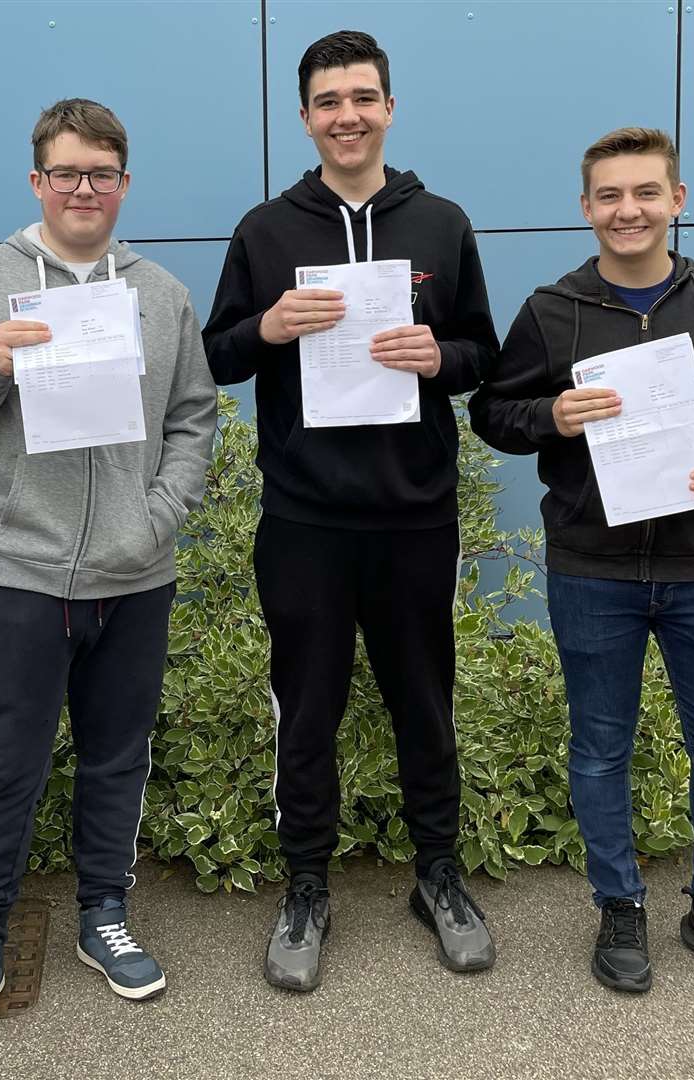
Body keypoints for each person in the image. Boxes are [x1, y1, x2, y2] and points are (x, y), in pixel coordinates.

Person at [468, 126, 694, 998]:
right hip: (591, 568)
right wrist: (553, 416)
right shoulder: (552, 309)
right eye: (610, 196)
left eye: (645, 193)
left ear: (676, 201)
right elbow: (491, 414)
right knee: (598, 750)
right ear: (585, 208)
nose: (629, 210)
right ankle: (618, 906)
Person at [0, 98, 217, 1045]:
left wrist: (154, 518)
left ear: (124, 184)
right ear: (37, 181)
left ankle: (101, 912)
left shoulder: (159, 293)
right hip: (18, 571)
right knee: (4, 763)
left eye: (103, 173)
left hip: (135, 574)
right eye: (67, 173)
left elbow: (193, 419)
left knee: (118, 755)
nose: (85, 189)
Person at [202, 30, 500, 992]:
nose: (347, 115)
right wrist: (267, 326)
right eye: (328, 101)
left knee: (425, 701)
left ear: (388, 108)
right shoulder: (264, 230)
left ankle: (439, 876)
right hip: (304, 517)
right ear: (305, 117)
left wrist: (439, 361)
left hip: (416, 512)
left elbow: (481, 356)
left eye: (363, 97)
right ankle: (304, 887)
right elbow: (214, 356)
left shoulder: (442, 223)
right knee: (309, 709)